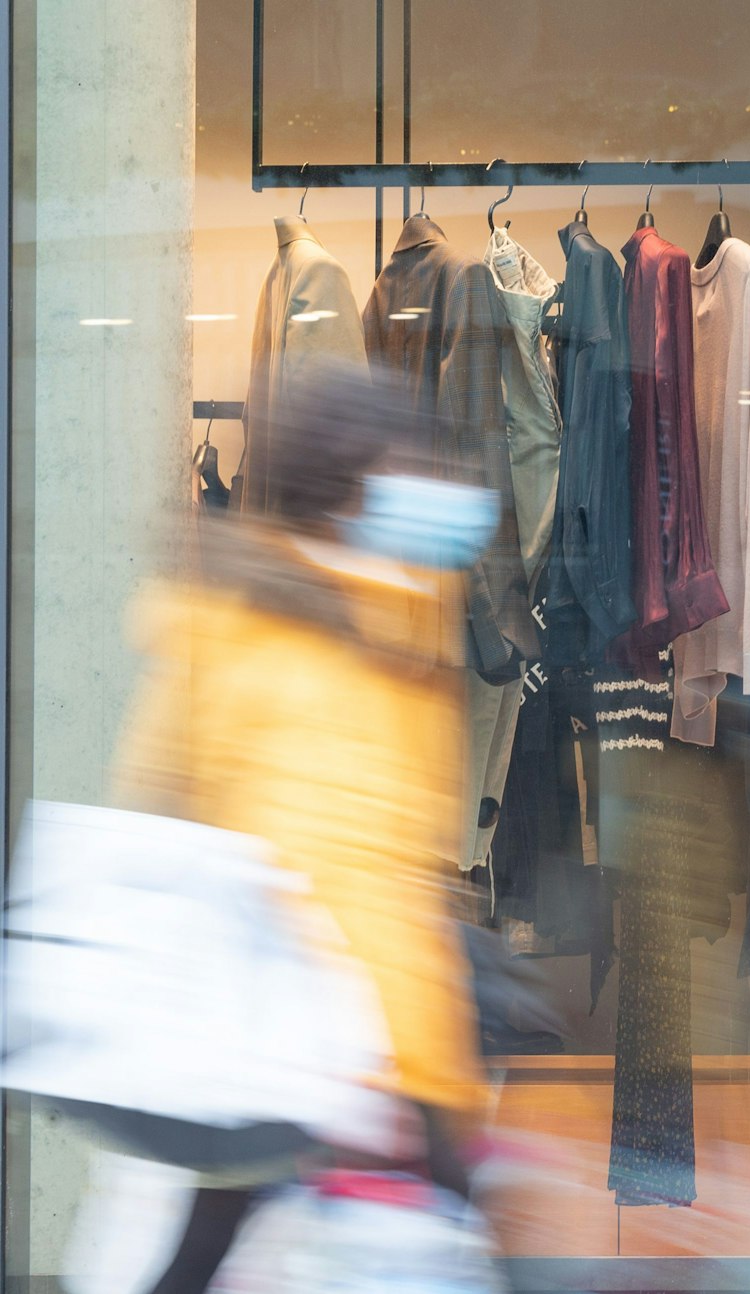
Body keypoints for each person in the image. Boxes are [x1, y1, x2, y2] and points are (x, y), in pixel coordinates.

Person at [112, 363, 495, 1294]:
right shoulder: (383, 619)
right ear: (355, 479)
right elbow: (397, 834)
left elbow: (156, 793)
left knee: (205, 1245)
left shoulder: (310, 610)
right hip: (344, 1019)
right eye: (405, 462)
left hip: (290, 1019)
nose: (427, 479)